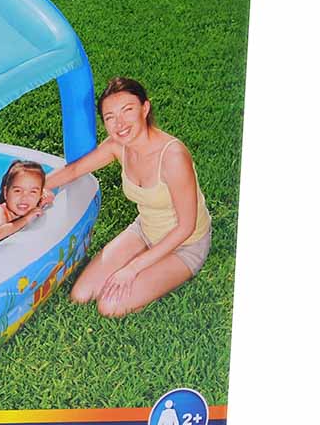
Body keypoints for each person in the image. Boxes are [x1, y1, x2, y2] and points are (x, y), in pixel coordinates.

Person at [45, 77, 212, 317]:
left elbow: (186, 227)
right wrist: (34, 189)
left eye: (127, 110)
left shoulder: (173, 156)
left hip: (185, 245)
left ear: (145, 108)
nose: (120, 123)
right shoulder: (117, 145)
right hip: (145, 230)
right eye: (110, 117)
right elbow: (74, 170)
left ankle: (153, 270)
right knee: (81, 294)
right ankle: (144, 263)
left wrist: (132, 268)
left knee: (109, 306)